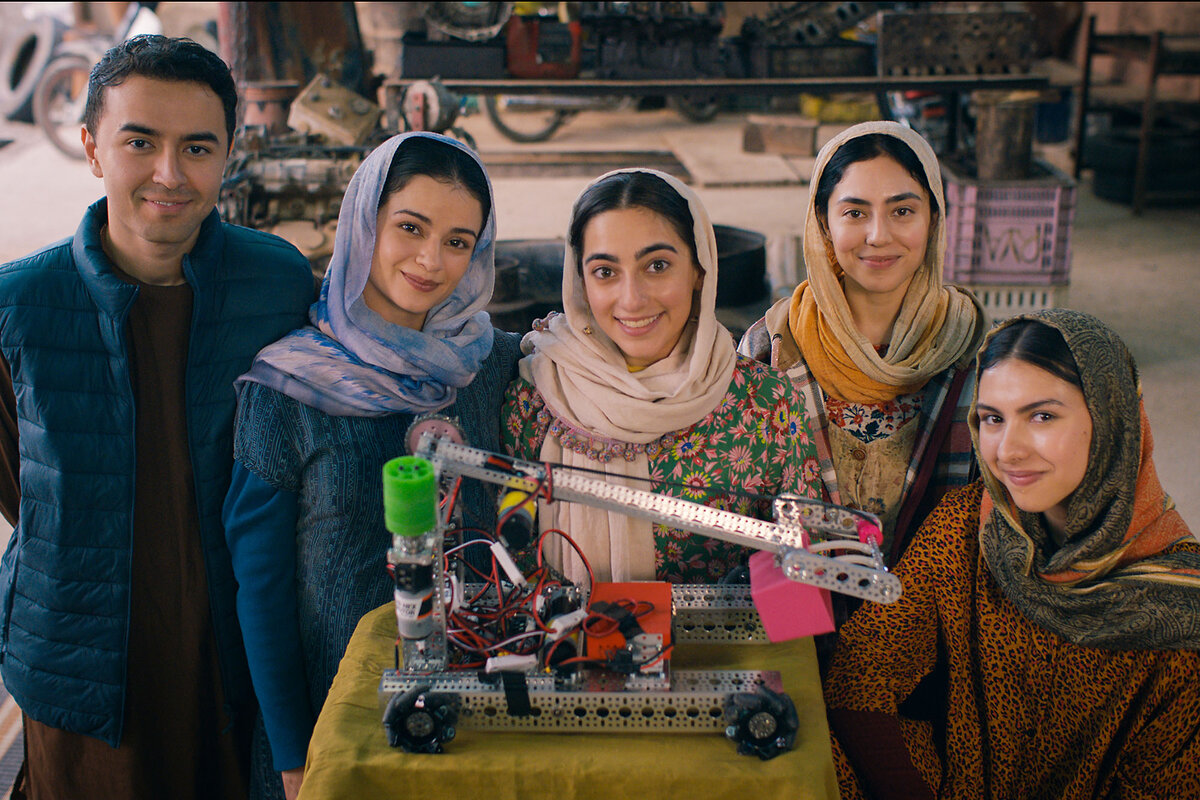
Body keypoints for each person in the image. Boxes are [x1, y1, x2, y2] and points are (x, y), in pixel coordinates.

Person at [0, 36, 314, 800]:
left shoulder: (277, 282)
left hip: (239, 668)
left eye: (197, 147)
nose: (169, 175)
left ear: (228, 154)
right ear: (92, 148)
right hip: (83, 675)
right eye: (140, 142)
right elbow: (24, 496)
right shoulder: (18, 307)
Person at [223, 132, 522, 800]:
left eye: (458, 241)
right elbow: (261, 590)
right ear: (363, 223)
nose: (431, 260)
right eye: (410, 227)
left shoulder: (490, 365)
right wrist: (296, 750)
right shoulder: (286, 387)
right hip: (335, 722)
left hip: (473, 710)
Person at [824, 309, 1200, 800]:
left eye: (1042, 416)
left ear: (1113, 419)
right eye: (992, 419)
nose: (1008, 451)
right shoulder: (969, 526)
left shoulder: (1179, 611)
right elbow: (863, 668)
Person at [502, 168, 822, 585]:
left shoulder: (766, 407)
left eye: (657, 265)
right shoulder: (536, 397)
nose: (632, 298)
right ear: (580, 280)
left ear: (698, 271)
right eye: (605, 271)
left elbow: (802, 579)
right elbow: (508, 565)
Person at [739, 121, 986, 566]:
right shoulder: (772, 346)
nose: (878, 235)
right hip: (803, 612)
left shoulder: (976, 350)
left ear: (934, 219)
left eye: (903, 211)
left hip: (934, 611)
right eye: (854, 213)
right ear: (823, 223)